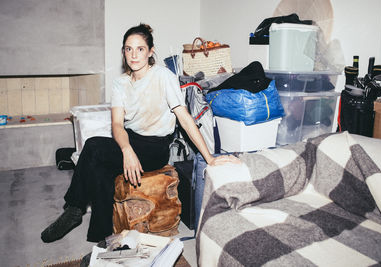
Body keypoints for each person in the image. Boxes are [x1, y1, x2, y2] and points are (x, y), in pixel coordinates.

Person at [41, 23, 238, 243]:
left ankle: (74, 209)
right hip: (131, 139)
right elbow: (117, 125)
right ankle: (104, 241)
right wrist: (127, 150)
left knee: (93, 146)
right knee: (100, 171)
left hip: (155, 147)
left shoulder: (163, 76)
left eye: (140, 49)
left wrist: (209, 158)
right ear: (123, 52)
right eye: (128, 49)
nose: (133, 55)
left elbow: (184, 117)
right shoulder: (120, 84)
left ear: (150, 51)